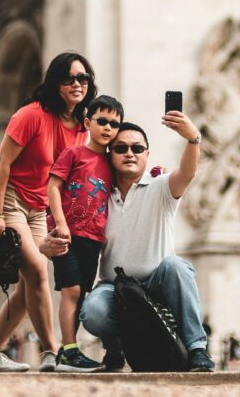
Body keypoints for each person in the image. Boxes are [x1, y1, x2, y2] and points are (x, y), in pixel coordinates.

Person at [0, 53, 97, 372]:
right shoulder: (31, 115)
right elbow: (2, 165)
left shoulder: (81, 126)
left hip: (38, 206)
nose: (77, 84)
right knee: (38, 272)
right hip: (5, 196)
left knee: (27, 284)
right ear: (55, 82)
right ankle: (55, 353)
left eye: (83, 78)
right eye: (69, 78)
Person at [79, 114, 216, 372]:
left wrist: (193, 139)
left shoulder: (161, 186)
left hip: (159, 285)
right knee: (92, 311)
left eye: (137, 148)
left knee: (177, 267)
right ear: (110, 155)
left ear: (147, 154)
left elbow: (187, 173)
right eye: (121, 148)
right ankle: (115, 346)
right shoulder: (98, 196)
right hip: (115, 289)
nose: (129, 153)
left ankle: (197, 349)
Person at [47, 95, 124, 372]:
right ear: (87, 122)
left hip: (93, 239)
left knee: (81, 295)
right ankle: (68, 350)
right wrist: (60, 223)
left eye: (114, 124)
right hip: (66, 235)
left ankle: (67, 352)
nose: (108, 128)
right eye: (101, 121)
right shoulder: (73, 153)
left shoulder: (112, 164)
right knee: (72, 290)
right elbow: (53, 187)